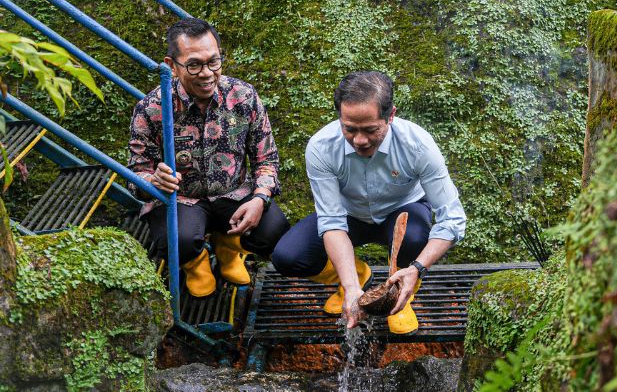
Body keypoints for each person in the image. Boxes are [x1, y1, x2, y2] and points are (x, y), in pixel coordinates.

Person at [272, 70, 466, 335]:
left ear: (391, 115)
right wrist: (351, 285)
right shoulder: (321, 147)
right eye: (349, 129)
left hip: (402, 212)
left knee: (417, 234)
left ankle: (400, 291)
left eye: (371, 130)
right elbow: (331, 221)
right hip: (349, 215)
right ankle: (357, 277)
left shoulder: (418, 145)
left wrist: (417, 269)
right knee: (288, 257)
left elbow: (453, 219)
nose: (359, 141)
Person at [128, 17, 289, 297]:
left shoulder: (243, 97)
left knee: (274, 231)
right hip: (183, 201)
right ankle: (196, 262)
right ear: (171, 66)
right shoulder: (152, 108)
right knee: (175, 240)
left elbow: (267, 160)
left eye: (213, 62)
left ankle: (228, 249)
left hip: (234, 194)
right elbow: (136, 173)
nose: (206, 73)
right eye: (194, 65)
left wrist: (260, 199)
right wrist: (153, 181)